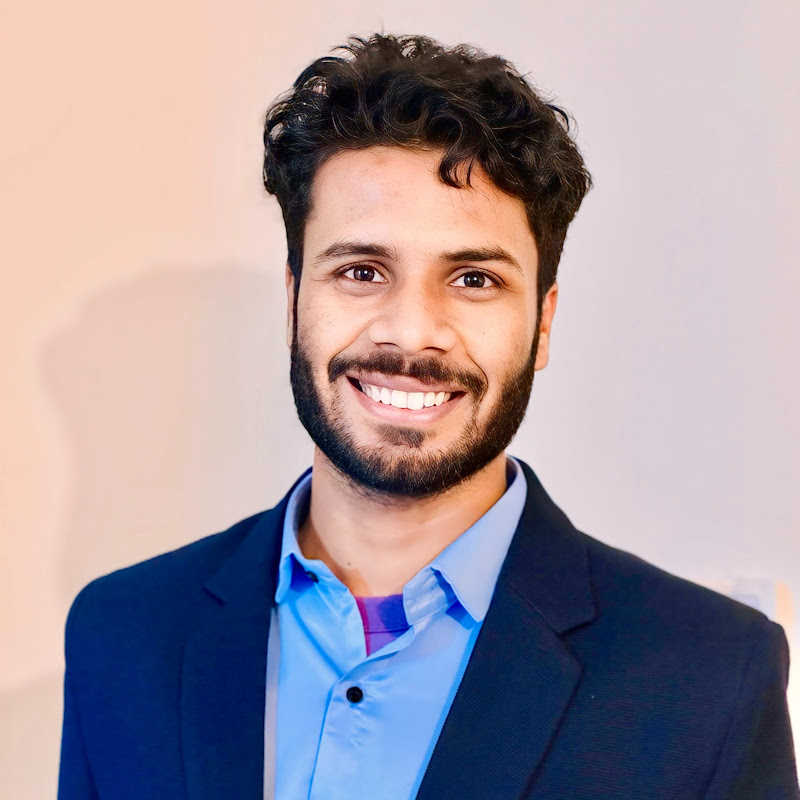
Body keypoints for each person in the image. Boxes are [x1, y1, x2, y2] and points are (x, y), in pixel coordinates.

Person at [58, 33, 798, 800]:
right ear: (292, 299)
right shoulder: (124, 633)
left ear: (543, 324)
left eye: (473, 279)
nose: (412, 333)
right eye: (362, 270)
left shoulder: (712, 676)